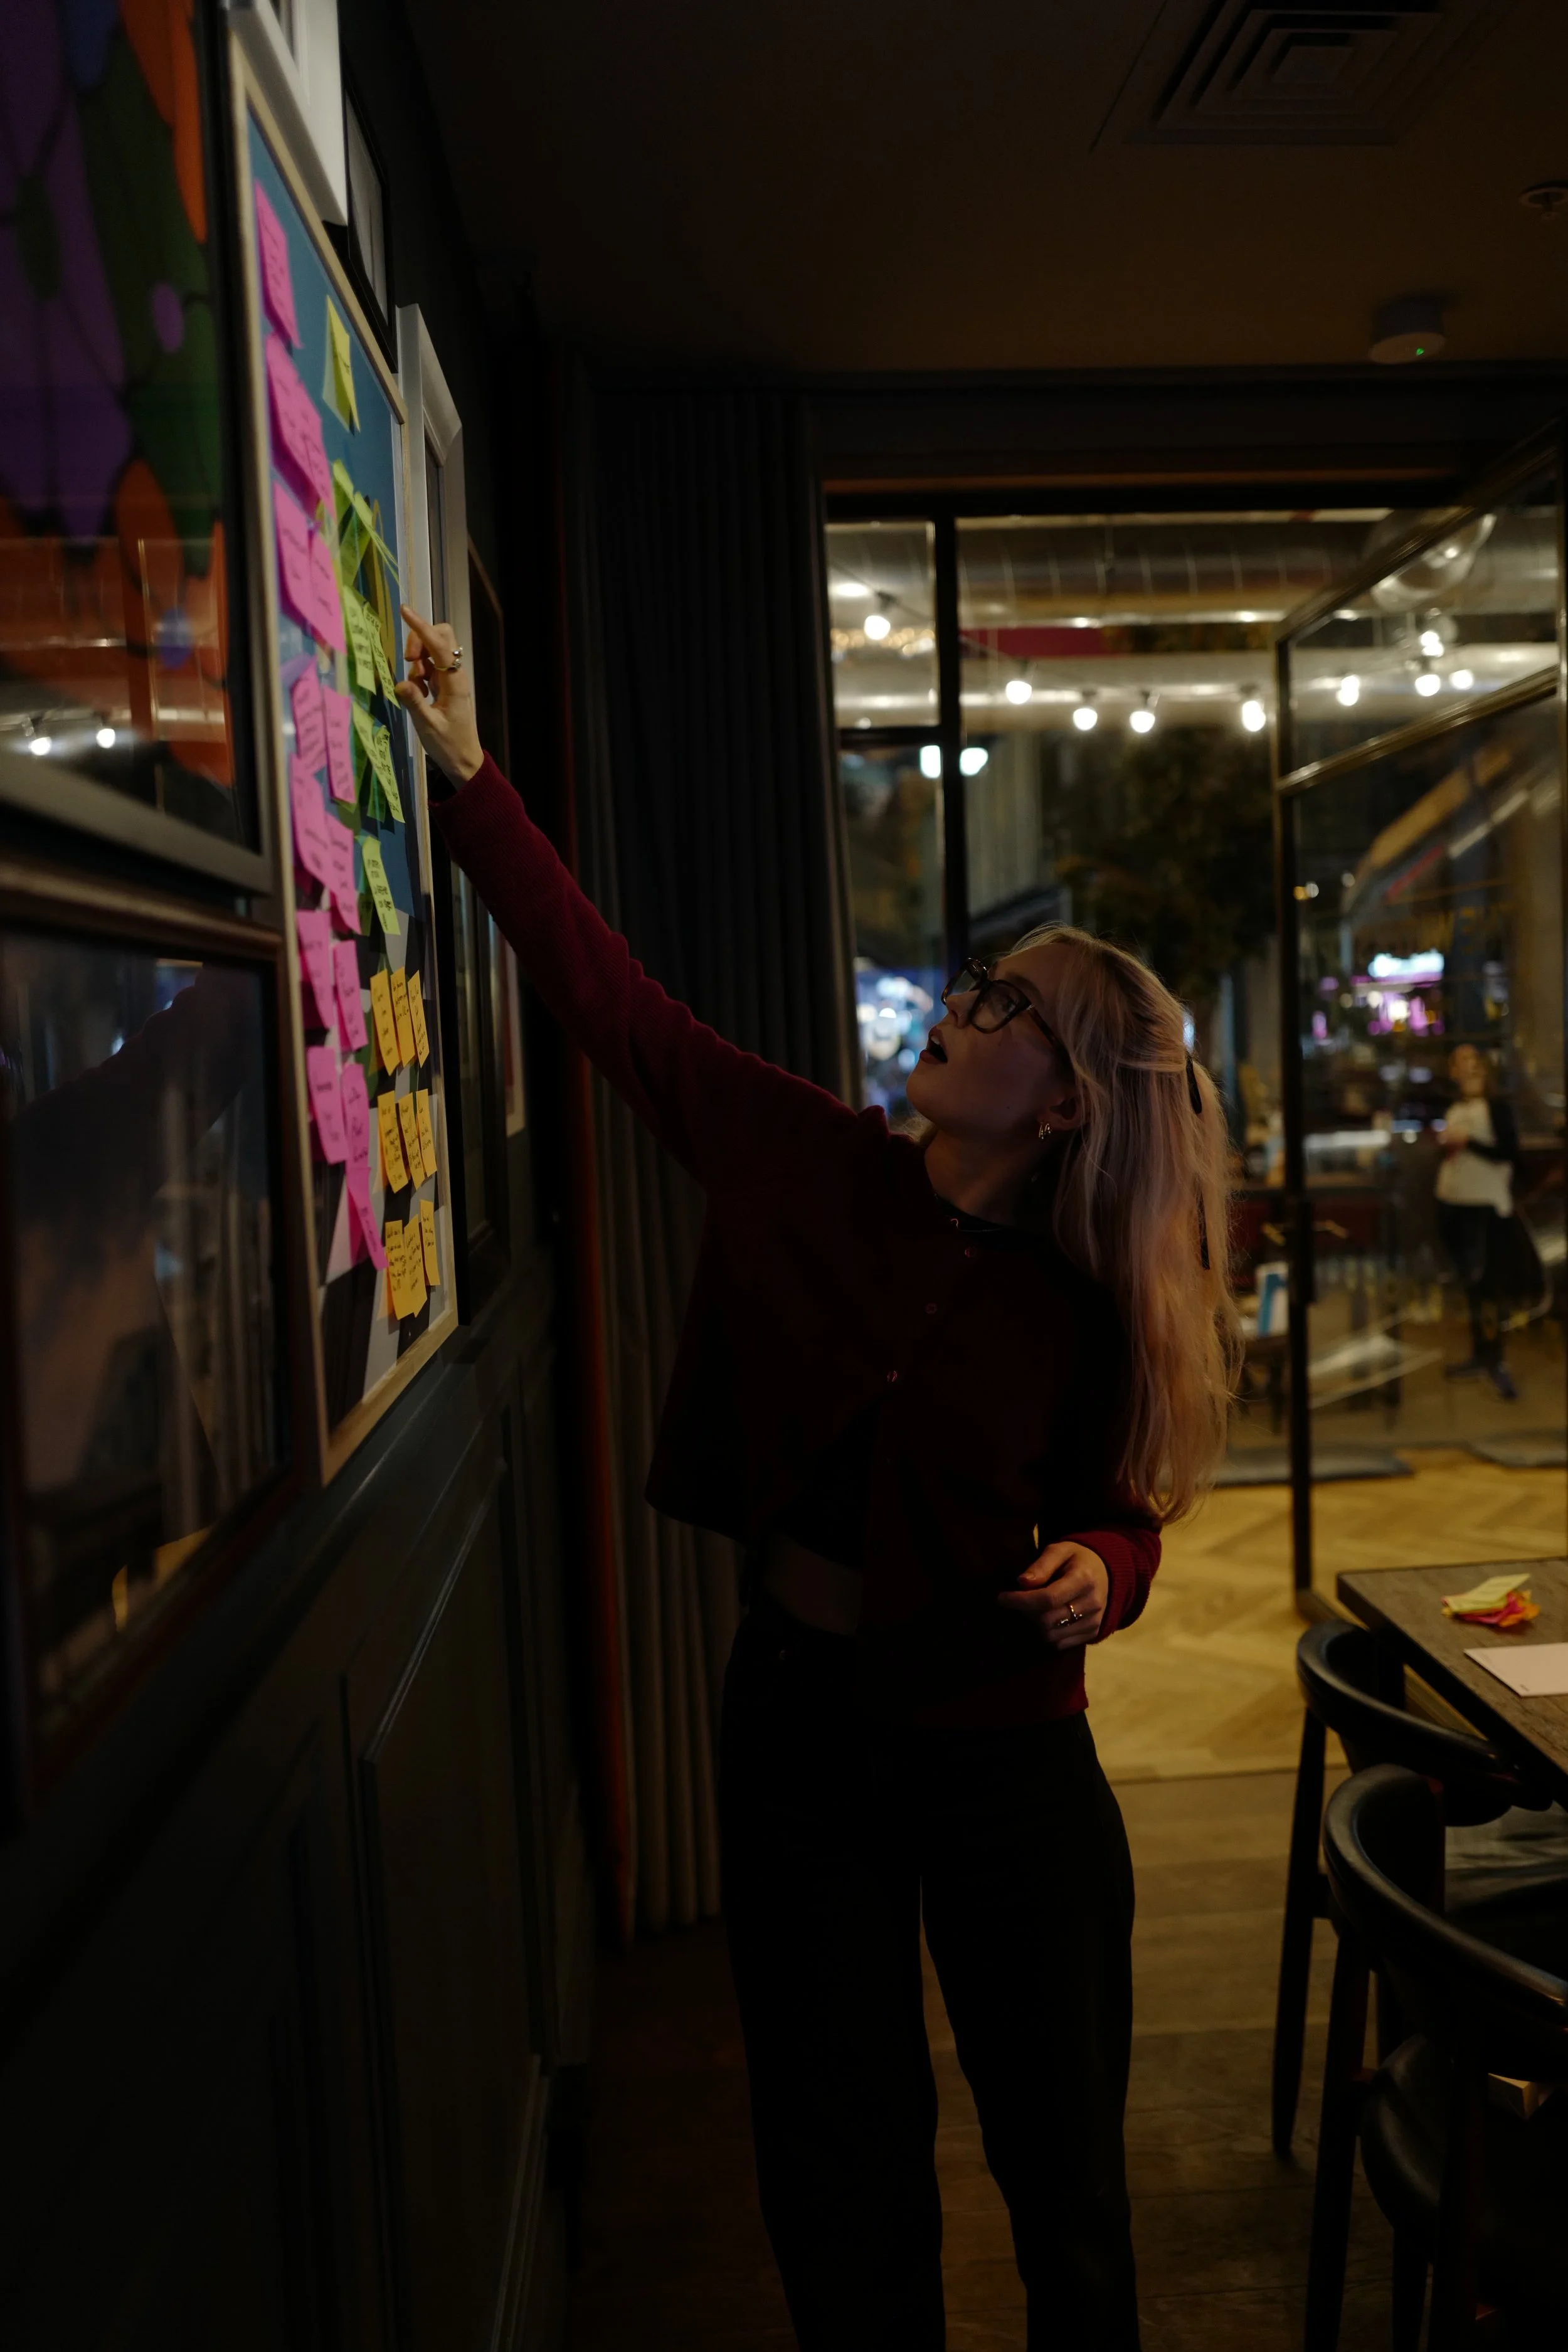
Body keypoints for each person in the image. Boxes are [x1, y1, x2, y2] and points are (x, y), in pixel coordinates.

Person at [395, 606, 1240, 2352]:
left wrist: (1103, 1563)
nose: (959, 1006)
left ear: (1065, 1106)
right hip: (798, 1725)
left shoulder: (1076, 1303)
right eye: (978, 982)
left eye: (1005, 1007)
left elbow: (1118, 1508)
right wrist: (467, 773)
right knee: (834, 2151)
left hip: (1008, 1749)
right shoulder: (807, 1156)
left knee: (1062, 2158)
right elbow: (609, 1001)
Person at [1436, 1042, 1520, 1402]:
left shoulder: (1498, 1107)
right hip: (1454, 1202)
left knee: (1490, 1284)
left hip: (1485, 1206)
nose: (1467, 1068)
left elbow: (1509, 1152)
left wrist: (1468, 1141)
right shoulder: (1456, 1107)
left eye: (1473, 1060)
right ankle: (1478, 1351)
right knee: (1469, 1283)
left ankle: (1495, 1356)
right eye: (1460, 1062)